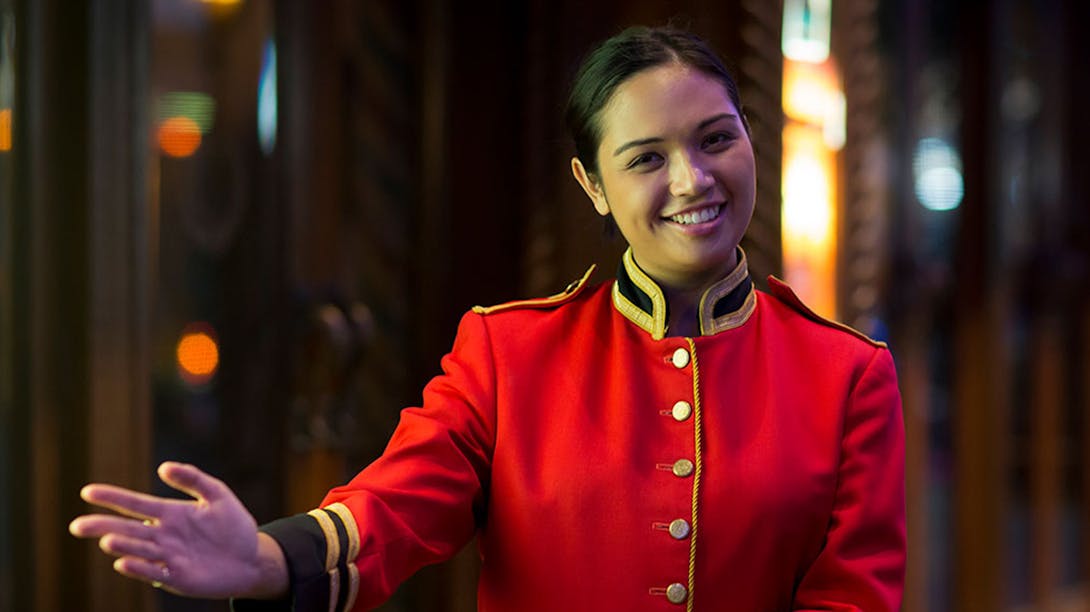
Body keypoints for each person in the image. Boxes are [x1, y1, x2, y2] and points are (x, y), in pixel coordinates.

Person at [70, 25, 905, 611]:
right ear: (592, 187)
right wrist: (263, 559)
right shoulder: (510, 349)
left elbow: (853, 601)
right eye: (647, 158)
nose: (693, 180)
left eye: (716, 139)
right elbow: (397, 507)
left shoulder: (847, 374)